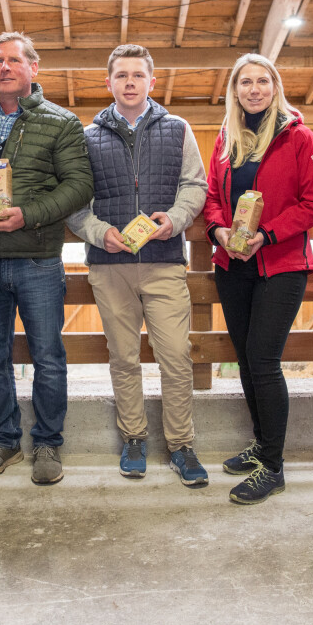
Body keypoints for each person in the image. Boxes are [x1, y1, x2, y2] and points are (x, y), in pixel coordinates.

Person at [0, 31, 93, 485]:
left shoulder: (61, 122)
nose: (4, 68)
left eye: (13, 60)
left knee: (48, 355)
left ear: (34, 67)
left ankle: (48, 444)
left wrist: (27, 215)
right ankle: (4, 441)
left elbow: (79, 185)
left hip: (37, 260)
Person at [66, 44, 208, 485]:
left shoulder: (179, 129)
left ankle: (181, 444)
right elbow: (75, 205)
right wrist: (98, 232)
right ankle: (133, 438)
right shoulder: (85, 138)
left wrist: (177, 219)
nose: (130, 82)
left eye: (138, 75)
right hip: (110, 266)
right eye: (121, 75)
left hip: (164, 261)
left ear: (151, 80)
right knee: (124, 357)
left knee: (175, 355)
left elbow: (195, 185)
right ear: (108, 82)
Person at [203, 53, 313, 505]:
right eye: (245, 82)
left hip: (280, 265)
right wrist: (217, 229)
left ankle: (273, 467)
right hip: (232, 265)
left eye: (262, 81)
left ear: (275, 87)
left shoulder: (298, 137)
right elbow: (213, 199)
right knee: (245, 358)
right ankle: (261, 444)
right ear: (235, 90)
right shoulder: (225, 139)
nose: (254, 89)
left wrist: (269, 235)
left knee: (263, 358)